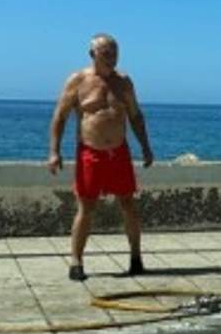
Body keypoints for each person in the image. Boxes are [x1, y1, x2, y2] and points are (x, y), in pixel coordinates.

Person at [47, 33, 155, 282]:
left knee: (128, 204)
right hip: (90, 152)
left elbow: (136, 117)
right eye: (105, 52)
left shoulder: (124, 82)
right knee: (86, 206)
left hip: (119, 151)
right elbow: (60, 117)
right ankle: (76, 261)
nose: (111, 57)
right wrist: (54, 151)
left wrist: (146, 148)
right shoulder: (78, 81)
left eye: (114, 52)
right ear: (93, 54)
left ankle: (136, 258)